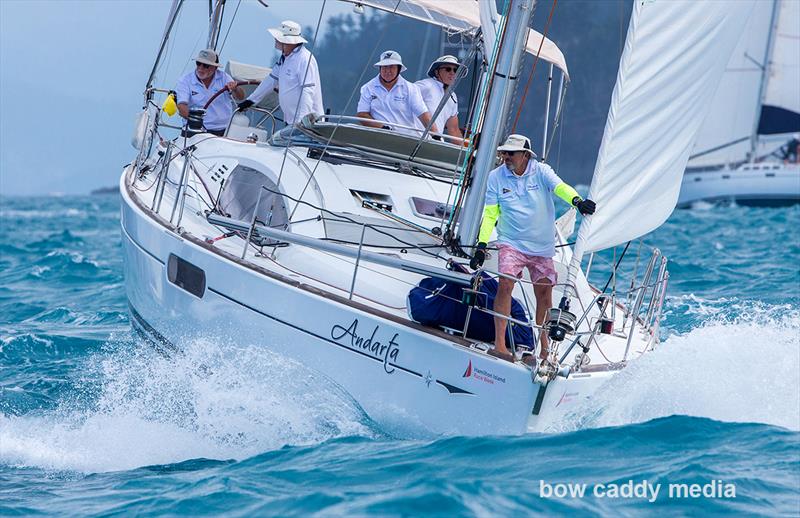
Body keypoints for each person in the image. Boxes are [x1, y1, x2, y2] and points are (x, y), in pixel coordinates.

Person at [469, 134, 596, 364]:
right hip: (511, 242)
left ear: (525, 155)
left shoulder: (541, 171)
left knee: (545, 293)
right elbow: (490, 214)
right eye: (504, 152)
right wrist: (481, 244)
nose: (505, 157)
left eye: (511, 153)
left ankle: (544, 349)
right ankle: (500, 345)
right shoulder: (496, 177)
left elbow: (560, 188)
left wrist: (577, 201)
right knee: (505, 283)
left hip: (541, 246)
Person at [238, 20, 324, 130]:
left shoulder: (305, 59)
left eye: (278, 38)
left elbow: (307, 92)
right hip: (292, 121)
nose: (275, 40)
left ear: (288, 42)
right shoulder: (285, 58)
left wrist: (302, 122)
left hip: (307, 124)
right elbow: (271, 81)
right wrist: (250, 101)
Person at [356, 50, 438, 137]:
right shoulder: (368, 88)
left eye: (391, 67)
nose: (388, 71)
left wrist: (436, 135)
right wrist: (383, 128)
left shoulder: (411, 88)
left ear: (399, 69)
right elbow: (362, 115)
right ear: (380, 68)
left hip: (407, 139)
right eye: (384, 67)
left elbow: (423, 114)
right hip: (378, 137)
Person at [175, 49, 245, 136]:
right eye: (198, 63)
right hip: (195, 130)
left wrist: (235, 89)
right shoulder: (185, 80)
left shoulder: (224, 77)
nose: (200, 68)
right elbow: (181, 105)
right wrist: (195, 122)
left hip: (223, 131)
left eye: (206, 65)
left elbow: (241, 97)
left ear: (215, 68)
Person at [415, 55, 463, 143]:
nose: (452, 73)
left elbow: (454, 130)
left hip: (434, 143)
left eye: (455, 70)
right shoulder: (427, 85)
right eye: (448, 69)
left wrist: (467, 154)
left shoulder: (453, 96)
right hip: (414, 139)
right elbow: (405, 95)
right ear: (437, 72)